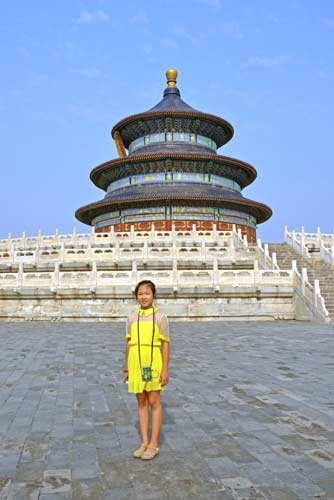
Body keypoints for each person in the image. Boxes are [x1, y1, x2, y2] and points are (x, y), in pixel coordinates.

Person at [123, 280, 170, 460]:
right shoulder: (131, 318)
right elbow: (128, 343)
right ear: (136, 296)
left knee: (154, 401)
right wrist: (126, 367)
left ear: (153, 295)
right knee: (141, 402)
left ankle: (154, 444)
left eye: (147, 293)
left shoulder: (160, 318)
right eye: (140, 293)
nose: (143, 297)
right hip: (136, 362)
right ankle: (144, 442)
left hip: (151, 363)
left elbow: (165, 345)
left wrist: (165, 370)